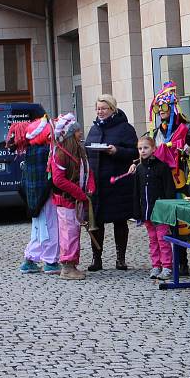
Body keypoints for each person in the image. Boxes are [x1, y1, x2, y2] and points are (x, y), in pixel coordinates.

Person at [150, 81, 190, 276]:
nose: (161, 111)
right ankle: (181, 260)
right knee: (176, 219)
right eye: (158, 108)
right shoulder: (157, 132)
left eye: (164, 107)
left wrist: (189, 150)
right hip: (171, 179)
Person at [84, 94, 138, 272]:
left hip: (118, 183)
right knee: (96, 221)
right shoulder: (93, 129)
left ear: (112, 109)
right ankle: (96, 258)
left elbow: (134, 152)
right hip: (97, 184)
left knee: (119, 221)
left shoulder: (125, 128)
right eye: (98, 108)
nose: (100, 111)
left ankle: (120, 259)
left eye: (104, 108)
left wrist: (116, 151)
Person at [7, 115, 61, 275]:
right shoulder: (46, 151)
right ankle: (51, 261)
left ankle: (30, 259)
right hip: (46, 196)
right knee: (50, 228)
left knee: (38, 228)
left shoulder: (31, 150)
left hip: (34, 198)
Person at [51, 113, 90, 280]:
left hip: (74, 199)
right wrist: (79, 193)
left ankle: (71, 264)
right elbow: (58, 180)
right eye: (77, 130)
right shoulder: (61, 153)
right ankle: (67, 267)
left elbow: (85, 170)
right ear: (69, 134)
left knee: (73, 231)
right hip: (67, 200)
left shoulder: (76, 150)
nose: (80, 133)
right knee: (69, 233)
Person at [132, 136, 176, 280]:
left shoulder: (162, 167)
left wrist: (168, 209)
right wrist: (137, 211)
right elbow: (136, 192)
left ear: (154, 149)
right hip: (146, 212)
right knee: (153, 240)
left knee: (163, 240)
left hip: (161, 212)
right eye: (140, 148)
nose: (142, 151)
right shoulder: (139, 169)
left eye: (146, 148)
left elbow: (169, 190)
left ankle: (167, 266)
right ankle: (156, 265)